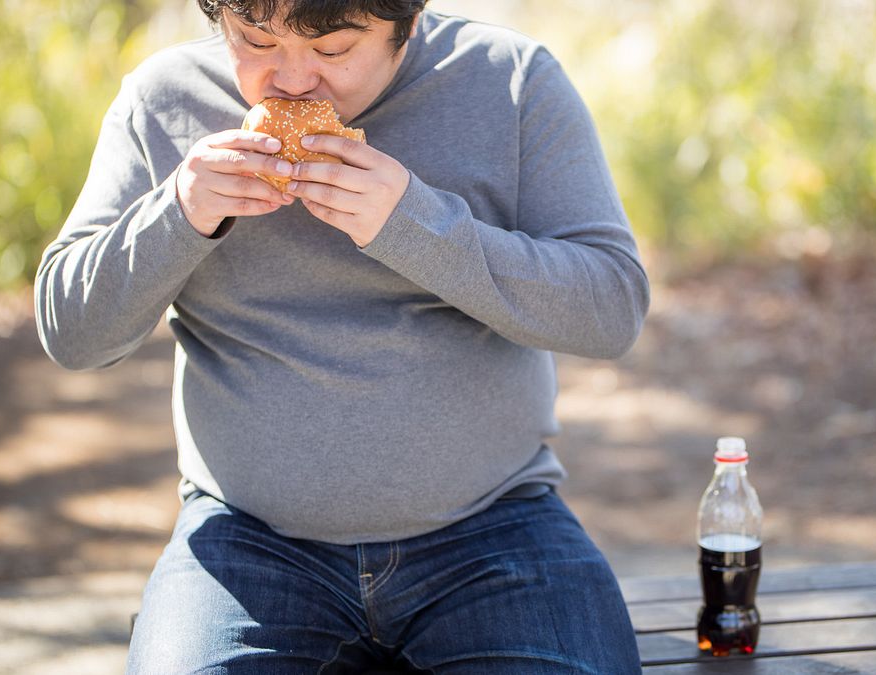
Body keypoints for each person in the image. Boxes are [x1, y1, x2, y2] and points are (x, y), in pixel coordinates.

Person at [35, 0, 650, 672]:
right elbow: (72, 333)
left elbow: (612, 307)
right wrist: (179, 210)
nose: (292, 81)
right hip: (247, 541)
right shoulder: (165, 100)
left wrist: (414, 223)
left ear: (406, 25)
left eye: (331, 50)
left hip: (496, 529)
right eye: (255, 41)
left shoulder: (510, 79)